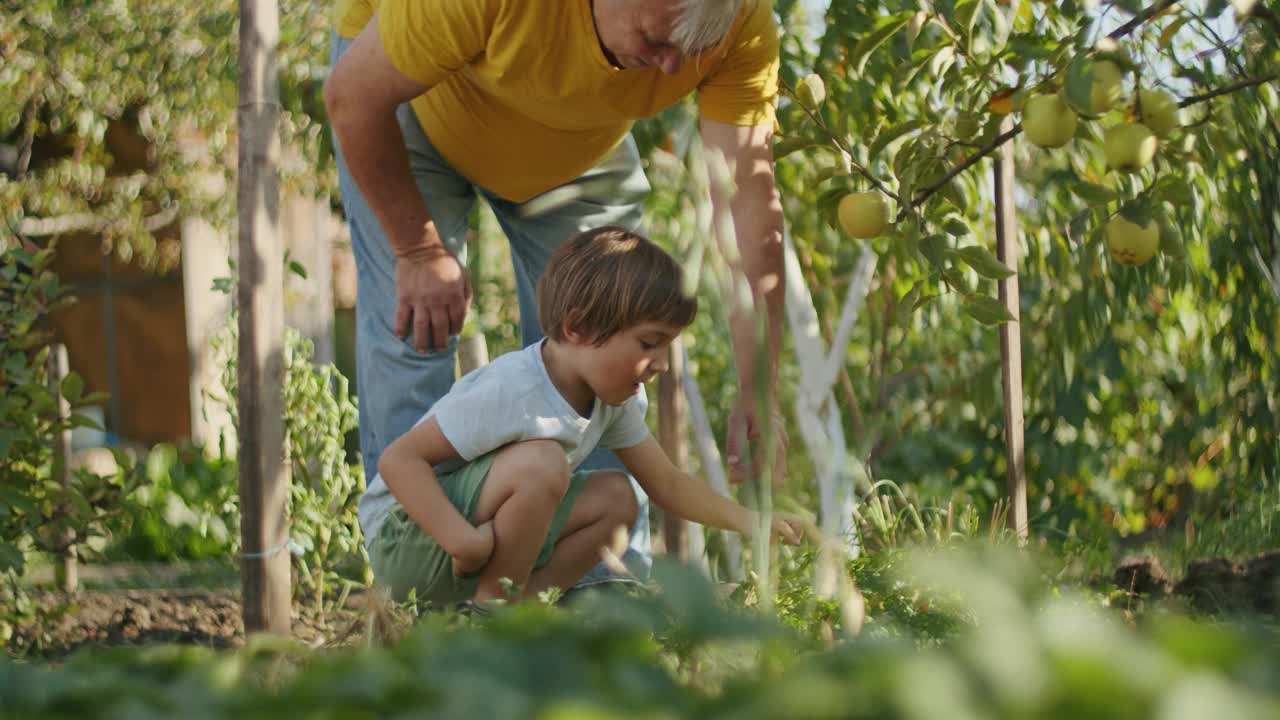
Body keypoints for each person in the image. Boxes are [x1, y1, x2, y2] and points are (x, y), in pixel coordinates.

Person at [325, 0, 788, 586]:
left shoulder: (742, 23)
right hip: (409, 106)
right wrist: (418, 253)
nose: (670, 70)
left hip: (575, 142)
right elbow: (354, 98)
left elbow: (748, 207)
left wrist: (759, 386)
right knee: (416, 327)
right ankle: (417, 596)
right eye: (657, 38)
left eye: (691, 53)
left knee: (605, 355)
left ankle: (590, 601)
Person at [366, 227, 804, 605]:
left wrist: (752, 522)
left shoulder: (613, 401)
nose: (663, 364)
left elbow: (667, 483)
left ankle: (524, 610)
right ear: (577, 328)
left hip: (470, 543)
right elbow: (399, 461)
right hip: (410, 538)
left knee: (621, 496)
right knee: (543, 464)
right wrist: (461, 540)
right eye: (649, 344)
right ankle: (493, 614)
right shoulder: (514, 388)